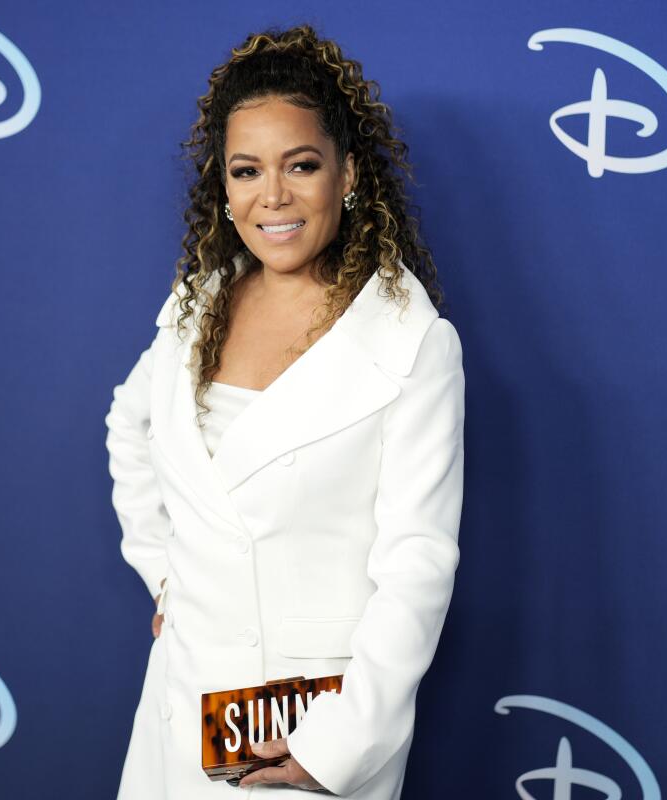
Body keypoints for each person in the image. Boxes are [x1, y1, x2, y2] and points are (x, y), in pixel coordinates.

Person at [105, 23, 465, 799]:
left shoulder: (411, 342)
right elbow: (129, 424)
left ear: (348, 174)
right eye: (246, 170)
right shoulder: (198, 304)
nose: (273, 196)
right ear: (223, 187)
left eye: (301, 165)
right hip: (182, 711)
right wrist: (164, 573)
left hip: (304, 732)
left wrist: (339, 746)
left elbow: (417, 567)